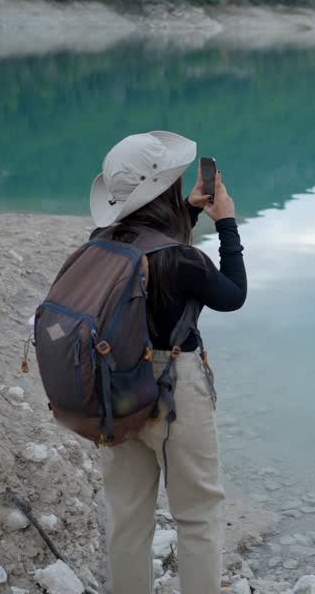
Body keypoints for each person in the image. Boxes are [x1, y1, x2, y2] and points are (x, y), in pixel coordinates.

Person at [87, 131, 247, 594]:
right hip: (177, 389)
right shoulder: (185, 261)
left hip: (115, 385)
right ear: (165, 190)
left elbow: (151, 247)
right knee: (197, 516)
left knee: (128, 517)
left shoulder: (103, 241)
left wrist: (191, 212)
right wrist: (227, 224)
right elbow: (233, 296)